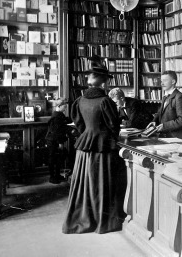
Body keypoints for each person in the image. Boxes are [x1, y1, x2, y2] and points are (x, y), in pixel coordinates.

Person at [62, 56, 125, 234]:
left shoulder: (80, 100)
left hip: (85, 148)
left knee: (84, 182)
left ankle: (83, 216)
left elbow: (79, 124)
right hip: (102, 148)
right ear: (103, 83)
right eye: (105, 82)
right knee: (102, 183)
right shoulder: (105, 101)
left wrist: (89, 132)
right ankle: (103, 220)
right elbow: (113, 126)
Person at [146, 70, 182, 140]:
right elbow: (160, 113)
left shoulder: (180, 97)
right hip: (165, 138)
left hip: (176, 139)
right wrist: (154, 121)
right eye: (161, 81)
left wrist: (164, 126)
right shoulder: (165, 96)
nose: (162, 84)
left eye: (165, 80)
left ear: (173, 82)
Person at [45, 97, 72, 184]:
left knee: (58, 158)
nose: (66, 108)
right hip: (53, 140)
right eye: (65, 106)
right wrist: (60, 143)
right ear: (59, 106)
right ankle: (52, 177)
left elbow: (65, 121)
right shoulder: (57, 116)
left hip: (54, 140)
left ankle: (57, 175)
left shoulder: (59, 114)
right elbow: (56, 132)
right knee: (53, 159)